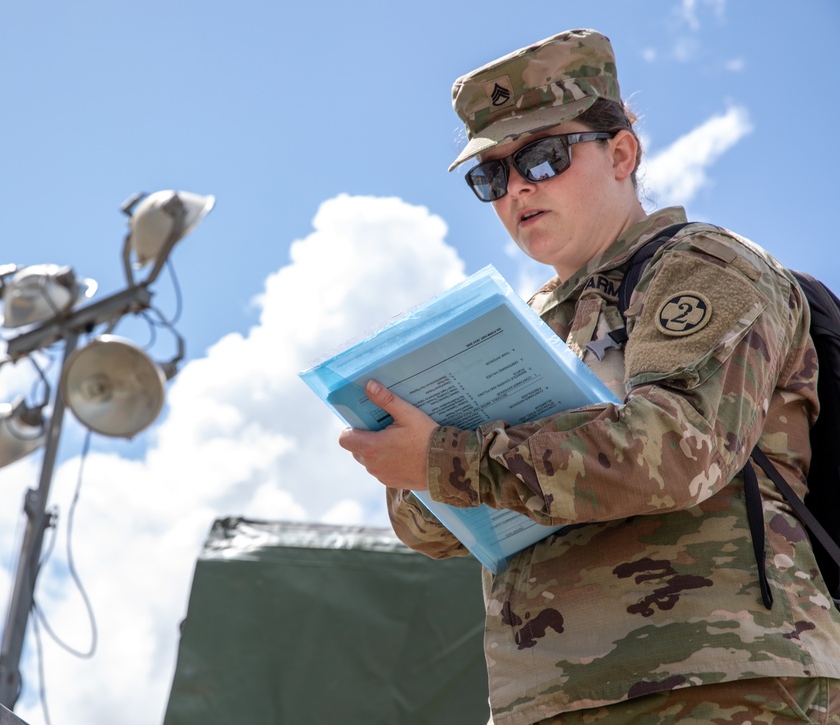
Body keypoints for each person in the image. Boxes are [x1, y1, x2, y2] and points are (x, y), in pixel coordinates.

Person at [338, 28, 840, 724]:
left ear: (621, 153)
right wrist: (413, 465)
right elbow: (434, 530)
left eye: (542, 157)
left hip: (720, 681)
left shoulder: (704, 264)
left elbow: (674, 449)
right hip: (547, 699)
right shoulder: (523, 325)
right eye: (491, 175)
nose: (516, 189)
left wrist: (444, 457)